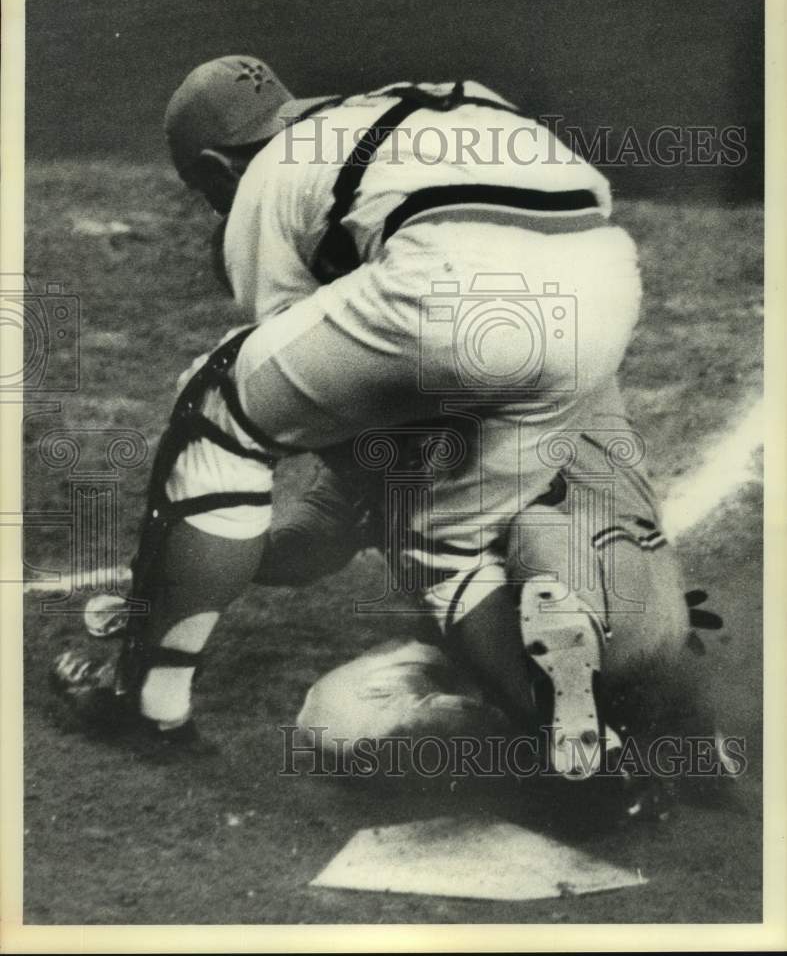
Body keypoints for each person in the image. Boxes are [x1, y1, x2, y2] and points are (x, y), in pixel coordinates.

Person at [52, 57, 718, 781]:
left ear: (215, 167)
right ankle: (612, 740)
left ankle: (146, 700)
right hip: (600, 290)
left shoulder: (269, 181)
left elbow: (310, 440)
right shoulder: (425, 109)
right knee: (446, 534)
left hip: (446, 290)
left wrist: (181, 568)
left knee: (217, 412)